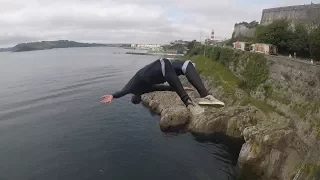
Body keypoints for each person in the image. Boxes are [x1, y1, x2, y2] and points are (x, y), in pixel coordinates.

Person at [100, 58, 225, 111]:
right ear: (133, 96)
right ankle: (205, 95)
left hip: (162, 69)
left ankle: (189, 102)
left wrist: (112, 96)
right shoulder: (140, 88)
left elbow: (166, 87)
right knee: (187, 65)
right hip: (162, 66)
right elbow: (166, 88)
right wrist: (112, 95)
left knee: (173, 66)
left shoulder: (141, 87)